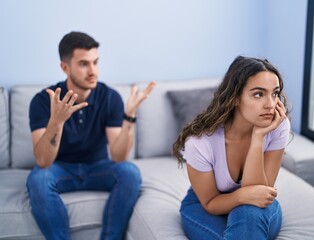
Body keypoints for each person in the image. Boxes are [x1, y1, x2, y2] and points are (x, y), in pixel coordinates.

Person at [26, 31, 156, 240]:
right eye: (84, 64)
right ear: (65, 67)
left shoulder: (110, 97)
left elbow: (119, 157)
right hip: (59, 169)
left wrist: (129, 117)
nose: (93, 71)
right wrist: (56, 121)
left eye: (95, 62)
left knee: (130, 172)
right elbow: (43, 160)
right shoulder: (43, 100)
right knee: (38, 179)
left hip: (98, 167)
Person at [172, 56, 291, 240]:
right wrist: (242, 196)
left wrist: (258, 138)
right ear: (235, 98)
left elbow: (259, 195)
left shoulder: (277, 126)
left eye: (274, 93)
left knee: (248, 214)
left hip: (257, 207)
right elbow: (210, 202)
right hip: (208, 206)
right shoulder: (200, 142)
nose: (270, 104)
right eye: (258, 94)